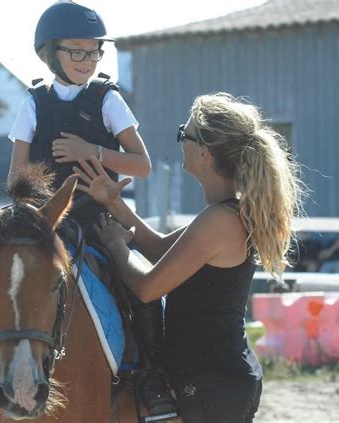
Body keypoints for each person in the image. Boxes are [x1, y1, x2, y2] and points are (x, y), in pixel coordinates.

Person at [0, 2, 176, 422]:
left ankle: (153, 378)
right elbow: (17, 178)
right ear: (50, 53)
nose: (87, 60)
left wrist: (92, 152)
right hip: (42, 225)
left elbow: (142, 164)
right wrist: (30, 219)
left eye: (94, 51)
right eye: (76, 52)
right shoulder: (34, 104)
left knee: (137, 283)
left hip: (96, 218)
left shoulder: (107, 99)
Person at [73, 92, 305, 422]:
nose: (180, 139)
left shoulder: (220, 221)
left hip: (213, 381)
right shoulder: (221, 214)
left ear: (204, 152)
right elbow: (156, 247)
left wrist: (115, 246)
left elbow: (147, 288)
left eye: (185, 133)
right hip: (214, 377)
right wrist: (114, 202)